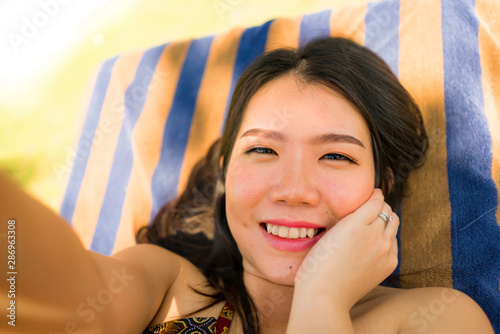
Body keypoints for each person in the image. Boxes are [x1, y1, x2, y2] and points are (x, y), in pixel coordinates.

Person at [0, 37, 493, 334]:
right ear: (226, 171)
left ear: (381, 183)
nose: (293, 189)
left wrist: (321, 299)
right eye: (262, 150)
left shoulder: (435, 319)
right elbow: (41, 301)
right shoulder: (167, 285)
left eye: (336, 155)